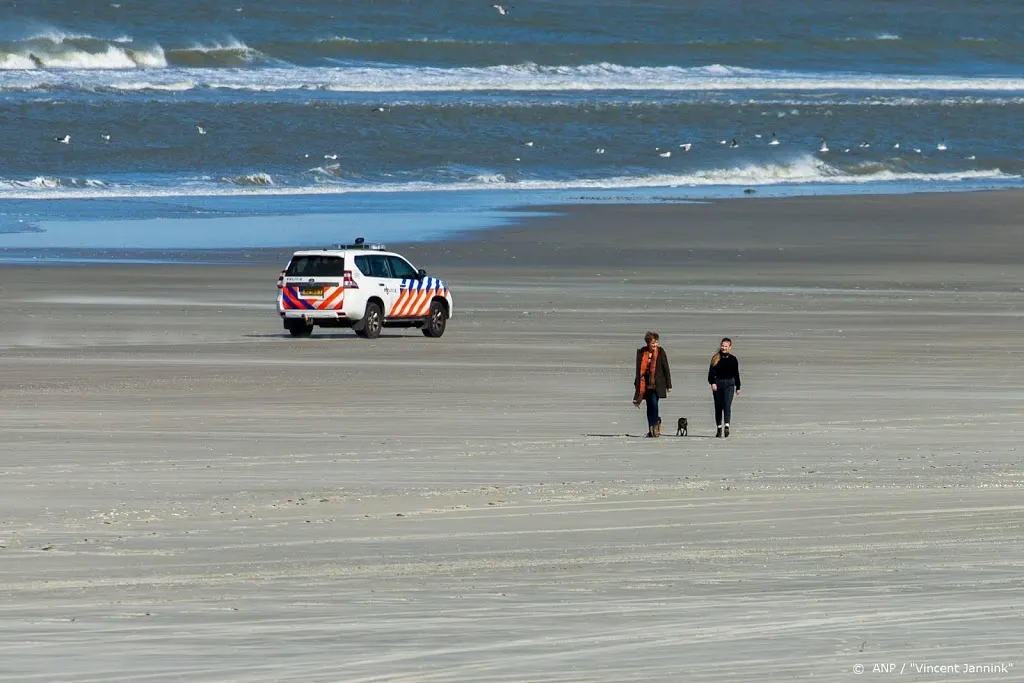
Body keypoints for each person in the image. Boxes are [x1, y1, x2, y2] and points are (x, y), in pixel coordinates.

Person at [633, 331, 672, 437]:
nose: (655, 345)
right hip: (644, 383)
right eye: (653, 343)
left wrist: (669, 385)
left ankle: (655, 427)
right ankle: (651, 428)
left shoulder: (661, 351)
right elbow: (639, 369)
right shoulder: (642, 352)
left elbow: (666, 367)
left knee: (654, 404)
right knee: (649, 406)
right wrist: (637, 382)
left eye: (656, 342)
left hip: (657, 383)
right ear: (648, 343)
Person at [708, 337, 741, 438]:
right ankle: (719, 428)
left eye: (726, 346)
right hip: (718, 384)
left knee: (727, 405)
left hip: (729, 384)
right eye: (722, 346)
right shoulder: (715, 358)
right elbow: (711, 374)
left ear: (730, 347)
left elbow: (736, 374)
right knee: (718, 407)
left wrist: (738, 386)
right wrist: (712, 383)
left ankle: (727, 426)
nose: (724, 348)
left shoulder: (733, 359)